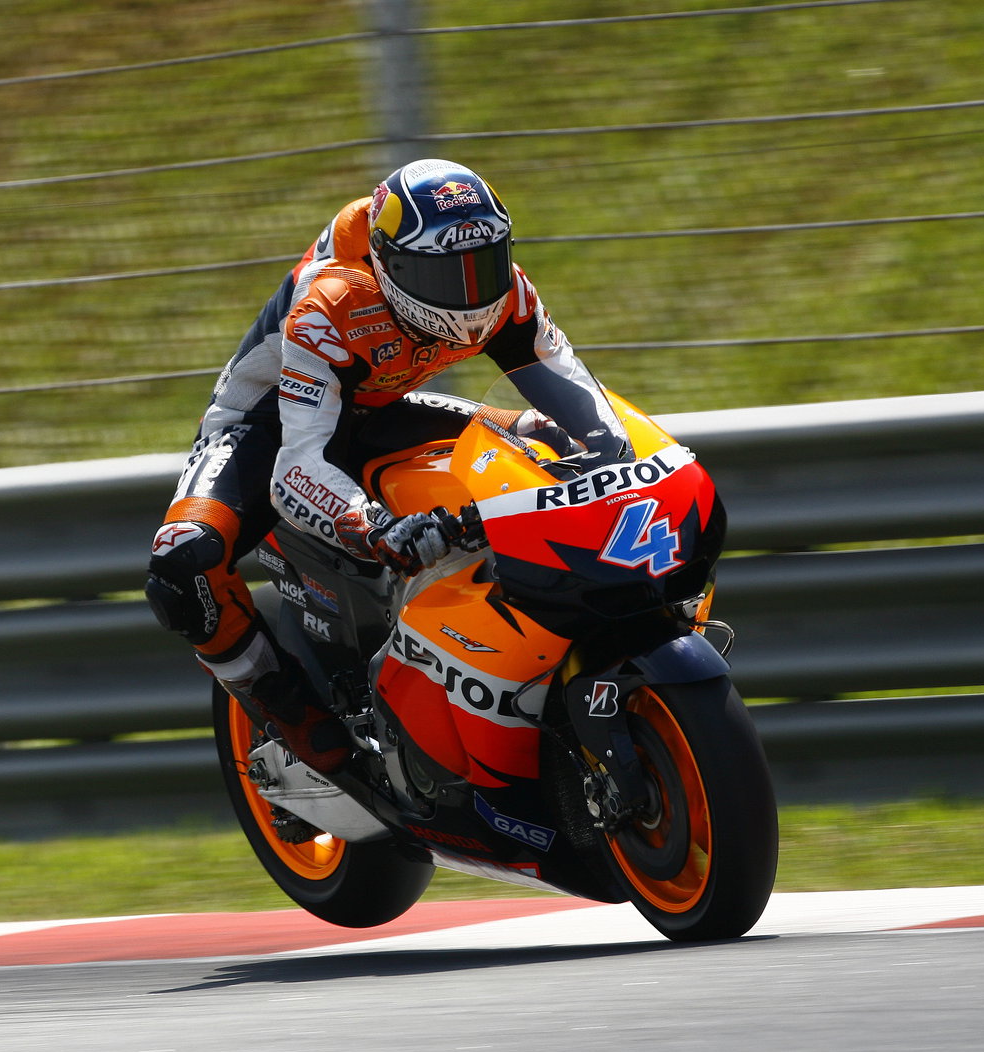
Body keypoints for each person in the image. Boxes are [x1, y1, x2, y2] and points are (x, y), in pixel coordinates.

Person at [145, 158, 631, 775]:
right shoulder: (333, 299)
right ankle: (290, 714)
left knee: (550, 441)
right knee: (181, 559)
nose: (470, 292)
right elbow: (298, 466)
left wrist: (618, 456)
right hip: (270, 427)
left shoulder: (507, 288)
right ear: (390, 266)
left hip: (382, 409)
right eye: (443, 273)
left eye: (482, 265)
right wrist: (373, 527)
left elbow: (574, 387)